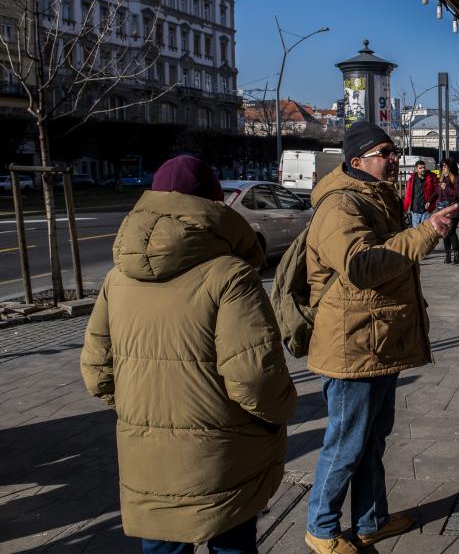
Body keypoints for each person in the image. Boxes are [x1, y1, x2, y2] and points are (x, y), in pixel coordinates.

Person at [80, 155, 298, 554]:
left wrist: (139, 413)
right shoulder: (230, 275)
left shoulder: (116, 277)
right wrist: (281, 413)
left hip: (146, 457)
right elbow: (254, 379)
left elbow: (96, 372)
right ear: (215, 204)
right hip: (222, 455)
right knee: (231, 544)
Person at [304, 122, 457, 554]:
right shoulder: (340, 207)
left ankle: (371, 521)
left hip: (376, 341)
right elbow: (363, 266)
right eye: (384, 151)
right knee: (346, 443)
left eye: (393, 150)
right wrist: (427, 232)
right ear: (357, 162)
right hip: (352, 345)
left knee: (372, 439)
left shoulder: (376, 196)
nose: (394, 158)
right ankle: (320, 527)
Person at [435, 158, 459, 265]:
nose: (443, 169)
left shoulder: (457, 179)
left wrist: (446, 188)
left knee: (451, 231)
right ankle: (448, 255)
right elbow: (437, 192)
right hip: (443, 208)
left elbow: (458, 193)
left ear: (450, 168)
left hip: (454, 208)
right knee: (445, 233)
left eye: (445, 167)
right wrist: (429, 201)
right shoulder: (442, 178)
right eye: (442, 167)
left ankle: (457, 256)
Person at [402, 159, 438, 228]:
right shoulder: (412, 180)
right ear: (416, 169)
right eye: (420, 168)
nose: (423, 169)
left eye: (424, 167)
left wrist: (430, 202)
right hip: (415, 211)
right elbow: (408, 195)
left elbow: (436, 191)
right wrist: (405, 209)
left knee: (425, 231)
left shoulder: (431, 178)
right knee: (416, 232)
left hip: (426, 211)